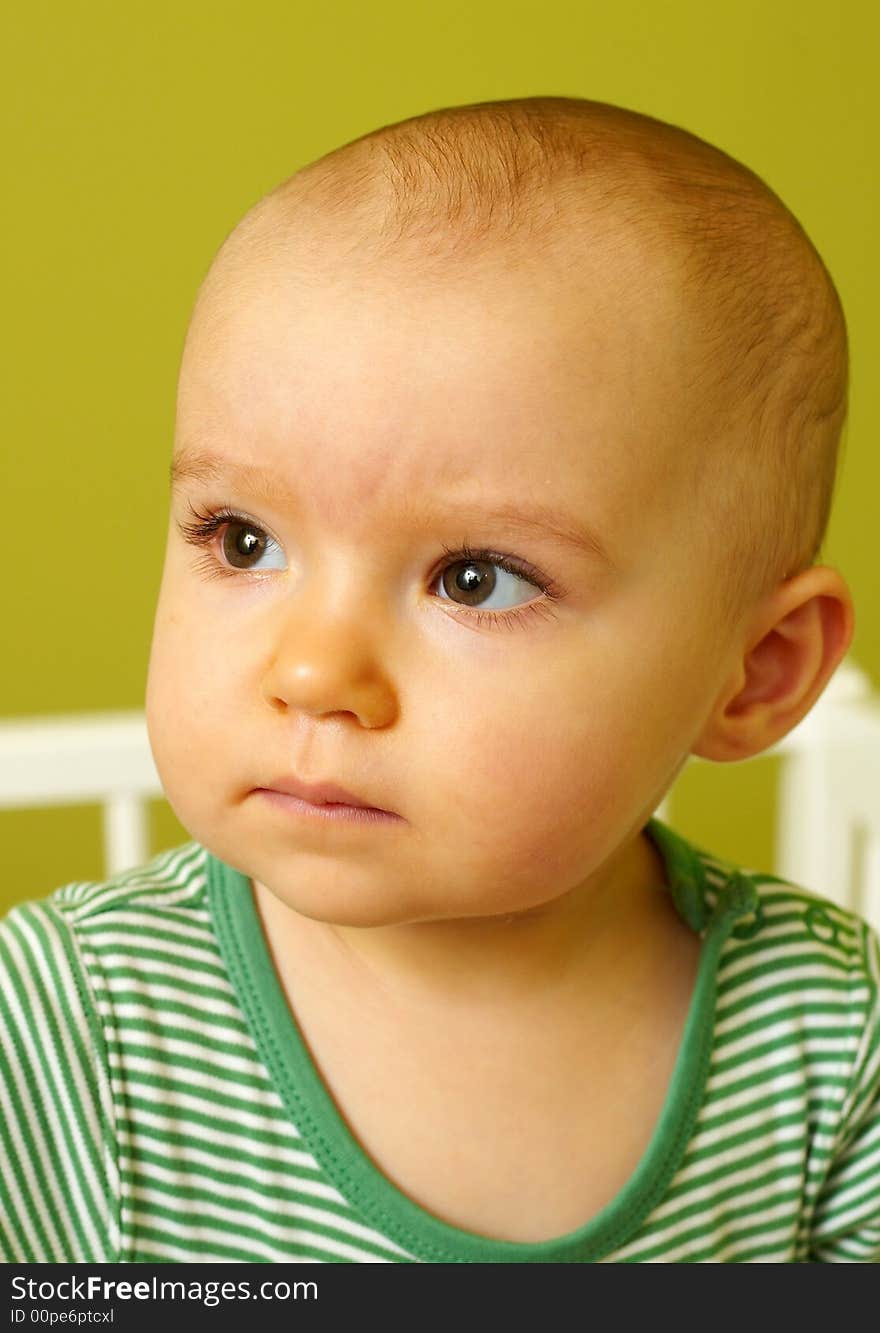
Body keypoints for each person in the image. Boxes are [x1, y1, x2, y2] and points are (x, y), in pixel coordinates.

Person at [2, 95, 878, 1264]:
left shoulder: (832, 1043)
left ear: (754, 674)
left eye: (475, 579)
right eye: (242, 539)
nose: (312, 671)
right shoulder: (63, 1034)